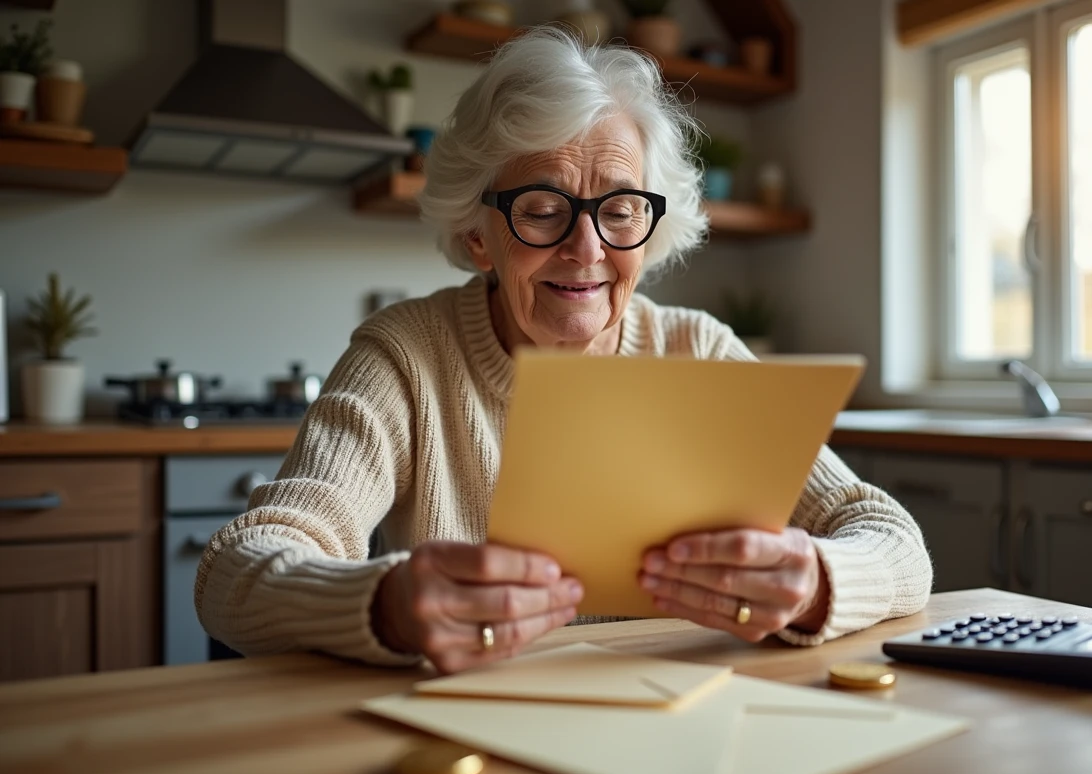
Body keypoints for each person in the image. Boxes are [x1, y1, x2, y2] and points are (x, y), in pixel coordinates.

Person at [195, 29, 931, 675]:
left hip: (671, 719)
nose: (587, 248)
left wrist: (815, 583)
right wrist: (386, 603)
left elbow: (895, 541)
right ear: (477, 234)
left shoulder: (699, 350)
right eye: (544, 210)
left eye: (620, 210)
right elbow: (234, 573)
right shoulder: (408, 355)